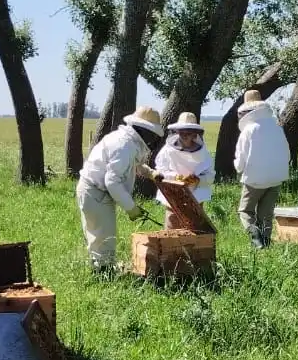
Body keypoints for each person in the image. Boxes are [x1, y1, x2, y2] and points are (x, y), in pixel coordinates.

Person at [77, 106, 165, 270]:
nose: (153, 138)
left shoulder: (128, 141)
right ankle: (104, 275)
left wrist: (151, 173)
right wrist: (131, 208)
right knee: (103, 239)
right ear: (144, 130)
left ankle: (102, 269)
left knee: (100, 236)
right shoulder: (124, 145)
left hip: (93, 191)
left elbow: (135, 164)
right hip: (96, 192)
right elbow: (112, 181)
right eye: (152, 134)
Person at [234, 89, 289, 248]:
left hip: (254, 178)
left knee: (245, 211)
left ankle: (256, 240)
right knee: (266, 214)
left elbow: (241, 157)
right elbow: (286, 152)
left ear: (246, 111)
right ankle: (266, 243)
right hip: (276, 177)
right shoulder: (277, 127)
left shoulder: (249, 129)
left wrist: (239, 169)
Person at [155, 112, 214, 229]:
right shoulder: (168, 150)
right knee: (172, 228)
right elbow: (160, 170)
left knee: (195, 229)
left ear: (195, 134)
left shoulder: (203, 153)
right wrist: (175, 177)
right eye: (182, 132)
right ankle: (171, 247)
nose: (185, 135)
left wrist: (198, 179)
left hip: (196, 197)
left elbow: (210, 175)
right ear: (177, 132)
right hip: (173, 194)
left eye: (189, 132)